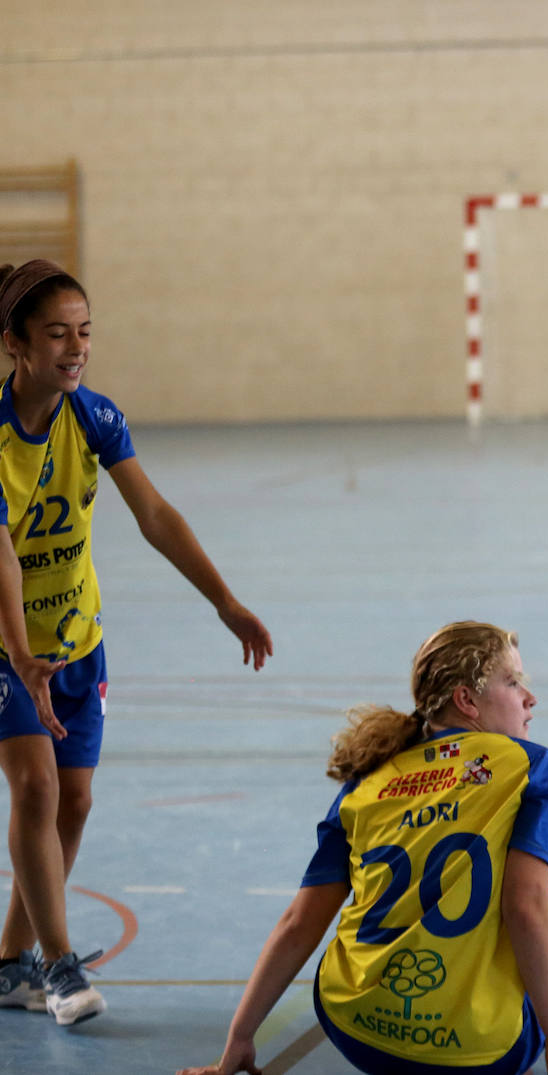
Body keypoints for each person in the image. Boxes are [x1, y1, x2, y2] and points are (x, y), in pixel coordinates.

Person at [0, 260, 273, 1025]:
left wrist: (224, 600)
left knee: (75, 801)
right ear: (16, 344)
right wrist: (21, 654)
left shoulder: (94, 417)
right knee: (35, 787)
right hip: (9, 647)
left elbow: (154, 515)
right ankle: (56, 966)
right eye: (57, 333)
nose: (76, 346)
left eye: (84, 331)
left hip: (79, 639)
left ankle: (6, 962)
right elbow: (0, 560)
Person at [177, 621, 548, 1075]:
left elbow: (298, 924)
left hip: (354, 1027)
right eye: (513, 682)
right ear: (467, 701)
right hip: (480, 1050)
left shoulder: (366, 780)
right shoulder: (530, 765)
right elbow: (525, 908)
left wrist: (241, 1038)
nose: (530, 697)